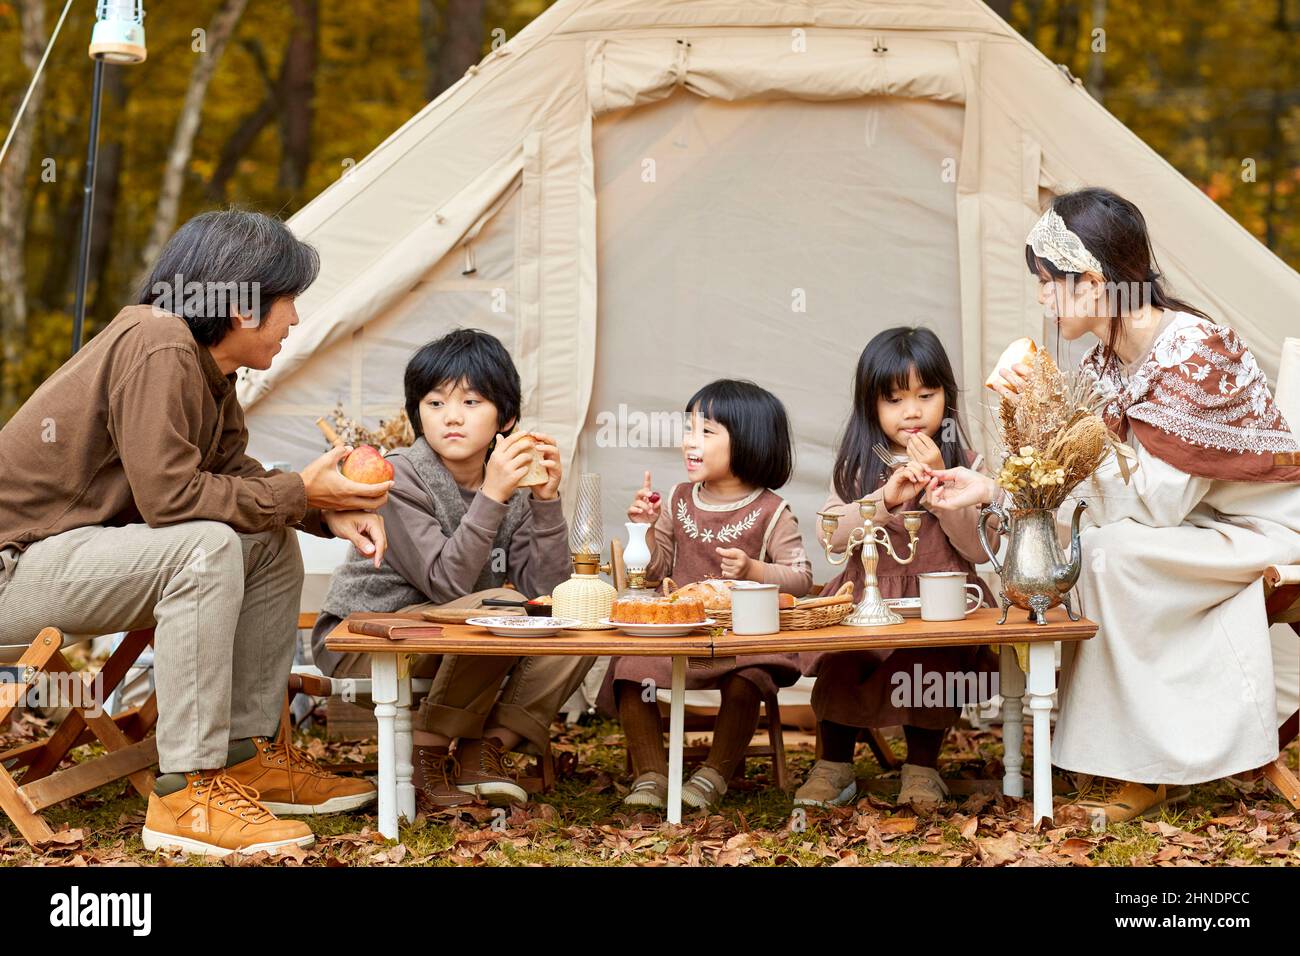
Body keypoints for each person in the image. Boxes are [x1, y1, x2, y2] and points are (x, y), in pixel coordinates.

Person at [0, 210, 389, 857]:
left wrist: (324, 510)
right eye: (289, 300)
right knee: (203, 546)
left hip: (57, 559)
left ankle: (243, 755)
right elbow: (172, 499)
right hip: (13, 571)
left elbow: (234, 476)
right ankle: (187, 793)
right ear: (243, 306)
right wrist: (301, 492)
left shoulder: (209, 370)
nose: (295, 319)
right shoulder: (158, 343)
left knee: (262, 541)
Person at [928, 186, 1300, 824]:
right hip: (1196, 525)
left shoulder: (1193, 351)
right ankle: (1131, 756)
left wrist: (1061, 431)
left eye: (1049, 282)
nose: (1043, 297)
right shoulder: (1106, 363)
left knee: (1106, 552)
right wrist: (992, 487)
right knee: (1085, 548)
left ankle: (1144, 768)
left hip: (1262, 530)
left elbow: (1156, 504)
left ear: (1094, 284)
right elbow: (1092, 485)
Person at [312, 329, 591, 807]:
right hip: (365, 639)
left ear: (506, 417)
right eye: (435, 403)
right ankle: (429, 752)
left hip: (452, 641)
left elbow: (547, 593)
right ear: (417, 413)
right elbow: (446, 584)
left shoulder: (513, 485)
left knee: (577, 618)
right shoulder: (397, 476)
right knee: (496, 607)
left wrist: (545, 502)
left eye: (471, 401)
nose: (451, 418)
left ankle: (487, 749)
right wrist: (495, 495)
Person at [793, 327, 996, 811]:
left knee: (931, 666)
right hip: (866, 600)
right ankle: (833, 765)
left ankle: (923, 769)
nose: (912, 411)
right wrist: (882, 500)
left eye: (926, 395)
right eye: (895, 399)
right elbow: (833, 540)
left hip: (939, 603)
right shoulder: (856, 468)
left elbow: (976, 549)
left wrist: (943, 493)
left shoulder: (966, 463)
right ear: (872, 407)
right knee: (845, 663)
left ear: (946, 397)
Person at [611, 379, 813, 811]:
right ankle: (649, 775)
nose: (690, 442)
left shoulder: (771, 510)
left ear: (748, 441)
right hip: (680, 636)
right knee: (630, 668)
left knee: (748, 680)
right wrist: (643, 529)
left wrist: (755, 570)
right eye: (689, 429)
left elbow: (801, 578)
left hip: (744, 642)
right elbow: (652, 573)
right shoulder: (678, 498)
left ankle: (713, 776)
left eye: (706, 431)